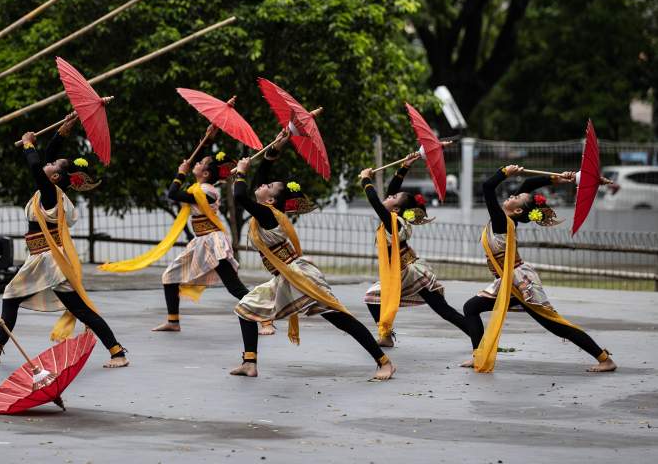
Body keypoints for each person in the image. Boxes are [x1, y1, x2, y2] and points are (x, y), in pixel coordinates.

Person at [229, 130, 395, 380]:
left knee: (340, 318)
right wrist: (276, 148)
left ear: (271, 200)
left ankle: (384, 363)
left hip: (299, 276)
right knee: (245, 308)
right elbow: (260, 179)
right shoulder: (266, 211)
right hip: (284, 278)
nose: (262, 184)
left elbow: (241, 194)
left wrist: (242, 171)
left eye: (268, 186)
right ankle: (249, 363)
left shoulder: (267, 215)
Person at [0, 115, 128, 368]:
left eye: (53, 165)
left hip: (52, 261)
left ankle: (118, 352)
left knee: (80, 309)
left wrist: (28, 144)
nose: (49, 163)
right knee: (11, 296)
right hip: (39, 258)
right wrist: (64, 129)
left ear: (56, 177)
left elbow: (37, 166)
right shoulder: (49, 189)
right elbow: (49, 156)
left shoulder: (50, 194)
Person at [461, 165, 616, 372]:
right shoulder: (507, 217)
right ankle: (479, 356)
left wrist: (505, 172)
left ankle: (605, 359)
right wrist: (561, 178)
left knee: (554, 324)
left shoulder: (501, 221)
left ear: (517, 211)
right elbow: (528, 184)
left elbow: (488, 187)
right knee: (471, 308)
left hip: (520, 282)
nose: (512, 195)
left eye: (516, 197)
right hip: (508, 281)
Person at [358, 156, 466, 346]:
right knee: (373, 297)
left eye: (392, 198)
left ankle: (479, 336)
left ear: (397, 208)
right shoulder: (393, 218)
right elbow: (392, 191)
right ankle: (386, 336)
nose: (388, 196)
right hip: (402, 271)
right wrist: (404, 167)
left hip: (408, 272)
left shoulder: (393, 223)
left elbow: (376, 202)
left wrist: (366, 180)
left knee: (443, 310)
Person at [152, 125, 250, 331]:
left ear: (205, 173)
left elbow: (173, 194)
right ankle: (173, 321)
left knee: (234, 287)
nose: (195, 163)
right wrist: (207, 139)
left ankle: (264, 317)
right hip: (200, 241)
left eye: (200, 163)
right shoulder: (201, 187)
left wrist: (180, 173)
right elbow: (201, 171)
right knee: (170, 276)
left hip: (213, 243)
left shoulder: (206, 191)